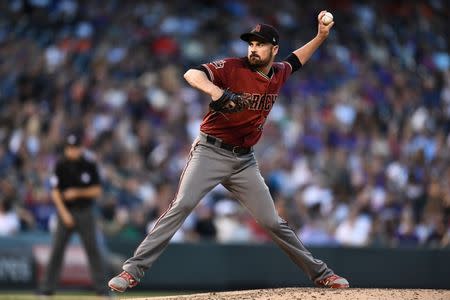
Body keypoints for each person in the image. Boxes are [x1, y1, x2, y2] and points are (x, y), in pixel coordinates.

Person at [108, 11, 349, 292]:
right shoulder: (233, 68)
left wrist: (320, 37)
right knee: (182, 205)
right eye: (251, 44)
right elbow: (191, 73)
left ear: (274, 50)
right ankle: (131, 271)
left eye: (259, 44)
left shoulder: (279, 72)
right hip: (211, 151)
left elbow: (297, 60)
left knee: (272, 221)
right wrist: (216, 92)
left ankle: (321, 274)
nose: (253, 49)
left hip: (244, 160)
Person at [39, 131, 110, 297]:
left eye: (75, 147)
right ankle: (46, 289)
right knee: (57, 251)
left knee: (93, 250)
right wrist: (64, 214)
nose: (72, 151)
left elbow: (97, 190)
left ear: (81, 148)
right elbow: (55, 192)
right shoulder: (60, 165)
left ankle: (103, 290)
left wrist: (76, 192)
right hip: (66, 211)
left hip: (85, 212)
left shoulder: (89, 164)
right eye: (69, 148)